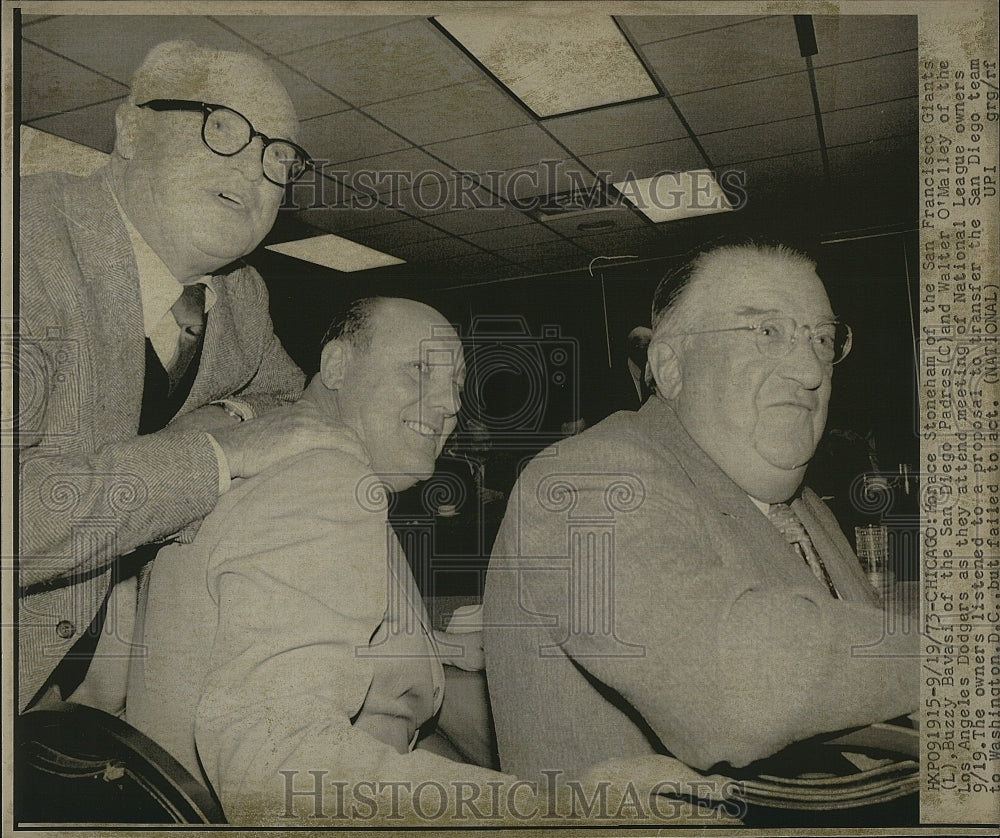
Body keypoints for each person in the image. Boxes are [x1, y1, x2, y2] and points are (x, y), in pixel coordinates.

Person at [483, 240, 918, 787]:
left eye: (823, 338)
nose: (811, 369)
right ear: (670, 365)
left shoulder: (804, 508)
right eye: (767, 332)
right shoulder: (587, 480)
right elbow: (730, 691)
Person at [17, 40, 358, 714]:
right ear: (133, 128)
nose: (258, 171)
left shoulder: (239, 297)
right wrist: (214, 456)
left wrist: (229, 419)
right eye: (224, 127)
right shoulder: (22, 246)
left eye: (280, 158)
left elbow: (290, 405)